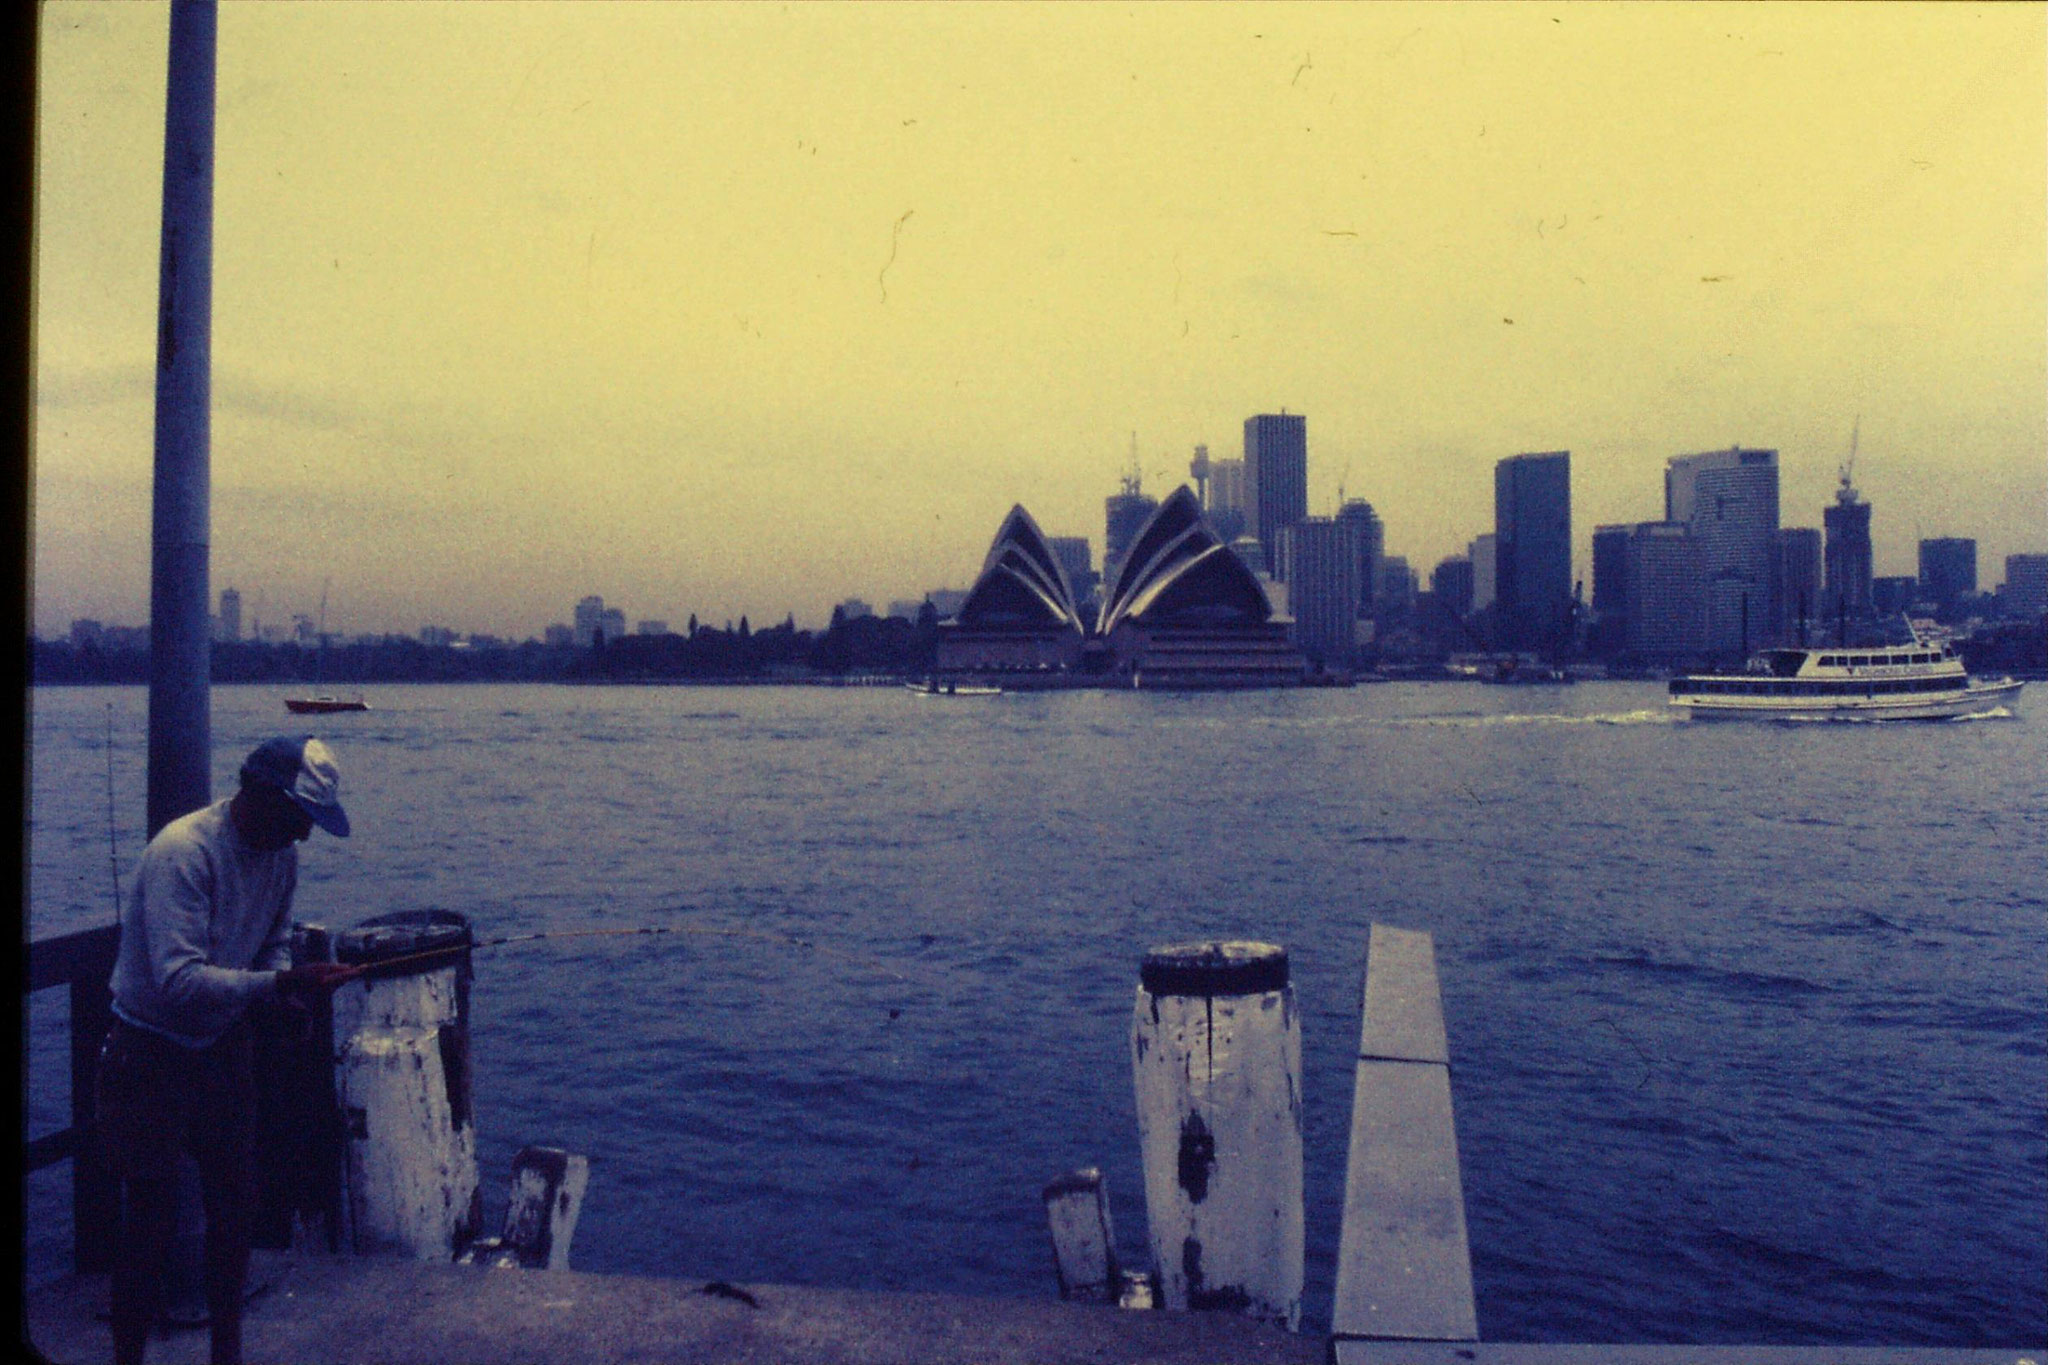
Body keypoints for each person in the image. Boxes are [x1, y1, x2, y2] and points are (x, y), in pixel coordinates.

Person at [96, 736, 364, 1365]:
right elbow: (178, 981)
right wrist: (276, 984)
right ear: (261, 796)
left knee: (234, 1212)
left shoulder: (281, 858)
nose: (302, 838)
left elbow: (270, 943)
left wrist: (282, 995)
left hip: (221, 1050)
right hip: (148, 1053)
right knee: (149, 1223)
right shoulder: (183, 854)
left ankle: (228, 1354)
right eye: (298, 820)